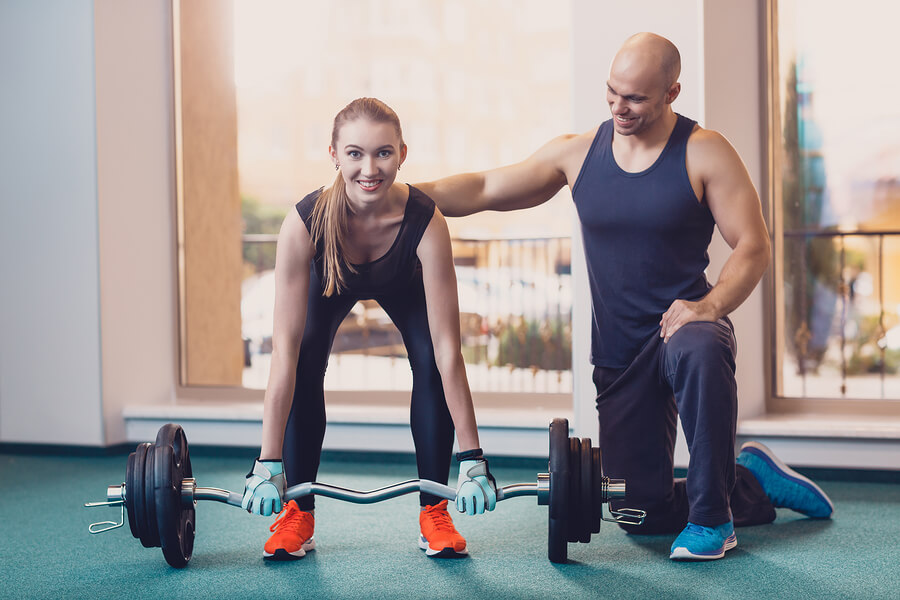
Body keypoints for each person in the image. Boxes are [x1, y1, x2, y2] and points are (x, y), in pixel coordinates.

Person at [417, 33, 833, 561]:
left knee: (700, 346)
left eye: (635, 98)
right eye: (612, 92)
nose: (619, 107)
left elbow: (754, 246)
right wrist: (399, 194)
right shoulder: (579, 153)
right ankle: (748, 480)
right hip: (619, 354)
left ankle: (713, 519)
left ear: (671, 92)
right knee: (638, 513)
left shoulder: (703, 151)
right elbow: (483, 188)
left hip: (684, 327)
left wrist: (710, 307)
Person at [240, 97, 498, 561]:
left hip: (404, 281)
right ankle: (297, 512)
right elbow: (282, 353)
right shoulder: (304, 224)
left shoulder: (425, 220)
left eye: (383, 152)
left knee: (431, 365)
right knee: (302, 362)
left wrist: (473, 457)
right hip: (330, 281)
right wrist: (267, 462)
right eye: (355, 153)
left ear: (402, 153)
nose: (369, 168)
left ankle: (435, 509)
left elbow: (448, 351)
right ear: (334, 155)